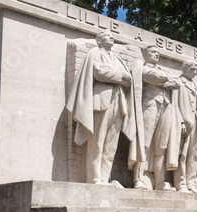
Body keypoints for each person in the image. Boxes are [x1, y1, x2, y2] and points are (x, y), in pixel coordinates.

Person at [66, 31, 135, 185]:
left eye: (112, 36)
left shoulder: (117, 58)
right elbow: (99, 72)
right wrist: (120, 77)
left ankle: (105, 178)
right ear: (99, 40)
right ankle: (94, 178)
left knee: (111, 145)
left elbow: (128, 79)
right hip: (102, 102)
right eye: (107, 35)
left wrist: (122, 78)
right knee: (97, 142)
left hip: (118, 103)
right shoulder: (95, 53)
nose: (111, 37)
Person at [135, 45, 181, 190]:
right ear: (145, 55)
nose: (156, 55)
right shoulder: (142, 67)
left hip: (165, 106)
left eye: (157, 52)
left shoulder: (162, 70)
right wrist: (167, 82)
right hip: (150, 104)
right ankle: (138, 179)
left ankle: (159, 182)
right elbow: (151, 77)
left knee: (162, 145)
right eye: (152, 52)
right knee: (144, 143)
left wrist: (165, 80)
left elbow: (177, 83)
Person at [173, 59, 197, 192]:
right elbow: (174, 104)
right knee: (181, 154)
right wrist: (180, 121)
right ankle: (180, 183)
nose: (195, 72)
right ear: (185, 68)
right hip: (184, 123)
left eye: (196, 70)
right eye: (192, 69)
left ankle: (191, 183)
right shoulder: (179, 82)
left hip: (195, 123)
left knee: (195, 155)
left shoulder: (195, 85)